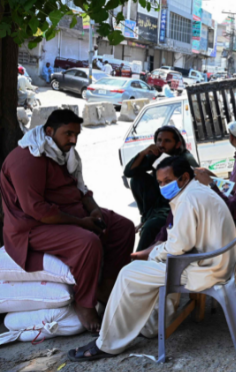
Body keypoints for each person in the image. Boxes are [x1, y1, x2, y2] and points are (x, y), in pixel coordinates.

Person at [68, 155, 236, 361]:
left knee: (128, 273)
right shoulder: (197, 191)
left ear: (183, 177)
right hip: (214, 261)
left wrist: (155, 252)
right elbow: (182, 242)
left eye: (167, 181)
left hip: (208, 268)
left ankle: (107, 344)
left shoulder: (188, 199)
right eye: (160, 183)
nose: (163, 187)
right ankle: (151, 326)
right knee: (150, 267)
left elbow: (178, 246)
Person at [0, 110, 136, 333]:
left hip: (69, 212)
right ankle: (84, 302)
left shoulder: (64, 153)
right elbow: (38, 210)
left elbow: (81, 189)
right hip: (33, 227)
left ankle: (106, 285)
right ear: (49, 131)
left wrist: (94, 212)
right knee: (87, 242)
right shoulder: (27, 159)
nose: (73, 140)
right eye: (68, 134)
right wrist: (83, 223)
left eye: (77, 134)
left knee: (123, 227)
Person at [124, 126, 199, 251]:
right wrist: (144, 152)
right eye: (159, 140)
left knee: (151, 226)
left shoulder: (184, 158)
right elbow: (129, 172)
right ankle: (147, 217)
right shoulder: (157, 156)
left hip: (176, 206)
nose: (161, 144)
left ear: (177, 144)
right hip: (158, 205)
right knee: (137, 179)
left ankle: (138, 261)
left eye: (167, 141)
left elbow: (195, 177)